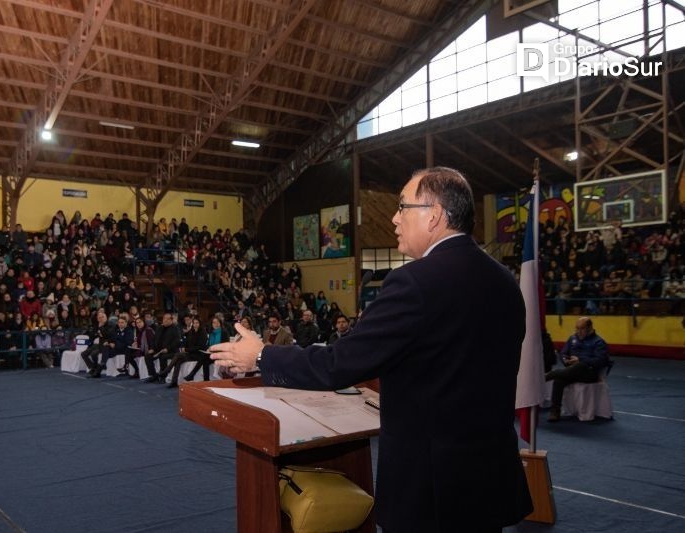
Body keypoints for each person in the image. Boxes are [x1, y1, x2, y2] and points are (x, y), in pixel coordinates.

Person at [210, 167, 532, 532]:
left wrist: (261, 355)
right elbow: (454, 366)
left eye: (402, 206)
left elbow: (339, 362)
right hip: (489, 476)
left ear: (435, 215)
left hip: (433, 488)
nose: (394, 218)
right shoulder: (505, 280)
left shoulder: (415, 281)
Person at [545, 317, 610, 422]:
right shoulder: (573, 338)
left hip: (589, 373)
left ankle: (547, 376)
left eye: (582, 328)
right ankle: (555, 411)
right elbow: (563, 353)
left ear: (590, 328)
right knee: (559, 380)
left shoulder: (598, 342)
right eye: (577, 328)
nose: (579, 331)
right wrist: (565, 359)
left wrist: (580, 360)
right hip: (572, 371)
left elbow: (601, 361)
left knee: (580, 366)